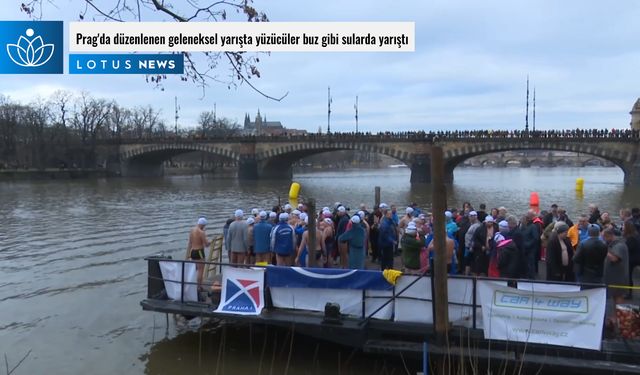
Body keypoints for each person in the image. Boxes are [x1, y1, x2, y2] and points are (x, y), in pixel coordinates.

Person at [603, 227, 630, 305]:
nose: (604, 240)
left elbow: (614, 258)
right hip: (614, 276)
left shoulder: (619, 245)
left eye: (604, 237)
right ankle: (615, 316)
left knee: (618, 296)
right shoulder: (613, 244)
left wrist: (605, 250)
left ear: (609, 236)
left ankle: (619, 316)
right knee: (615, 296)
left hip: (619, 277)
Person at [187, 217, 210, 288]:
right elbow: (206, 244)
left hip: (192, 251)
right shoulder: (201, 232)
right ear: (203, 225)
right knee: (200, 270)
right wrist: (210, 242)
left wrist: (187, 255)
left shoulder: (192, 230)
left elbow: (190, 243)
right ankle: (199, 287)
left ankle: (191, 286)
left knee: (193, 269)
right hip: (199, 251)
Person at [622, 220, 640, 296]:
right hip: (636, 257)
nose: (622, 227)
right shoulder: (636, 235)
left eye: (623, 226)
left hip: (632, 259)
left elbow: (628, 248)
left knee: (628, 275)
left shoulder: (631, 238)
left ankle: (628, 293)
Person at [463, 211, 481, 275]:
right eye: (469, 217)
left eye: (470, 217)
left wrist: (471, 246)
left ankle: (468, 275)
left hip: (471, 246)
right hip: (467, 245)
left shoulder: (477, 225)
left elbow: (475, 237)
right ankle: (467, 273)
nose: (469, 218)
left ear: (474, 217)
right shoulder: (471, 224)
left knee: (468, 260)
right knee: (467, 260)